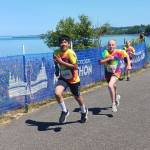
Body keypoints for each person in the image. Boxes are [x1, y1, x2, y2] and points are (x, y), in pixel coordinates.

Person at [53, 35, 88, 123]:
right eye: (61, 42)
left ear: (68, 44)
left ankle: (84, 111)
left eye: (65, 42)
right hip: (63, 77)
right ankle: (64, 111)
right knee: (57, 93)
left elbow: (75, 66)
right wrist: (57, 70)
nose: (63, 44)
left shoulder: (70, 53)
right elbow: (56, 63)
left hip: (73, 79)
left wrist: (62, 62)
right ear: (59, 44)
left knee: (77, 97)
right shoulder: (56, 52)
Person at [99, 40, 131, 112]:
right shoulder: (105, 52)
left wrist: (128, 65)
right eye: (109, 45)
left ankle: (113, 104)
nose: (111, 46)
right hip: (108, 72)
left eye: (113, 45)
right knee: (114, 86)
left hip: (116, 71)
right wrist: (108, 58)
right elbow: (100, 62)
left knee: (110, 85)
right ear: (107, 45)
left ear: (115, 45)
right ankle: (117, 97)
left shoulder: (119, 51)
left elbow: (127, 56)